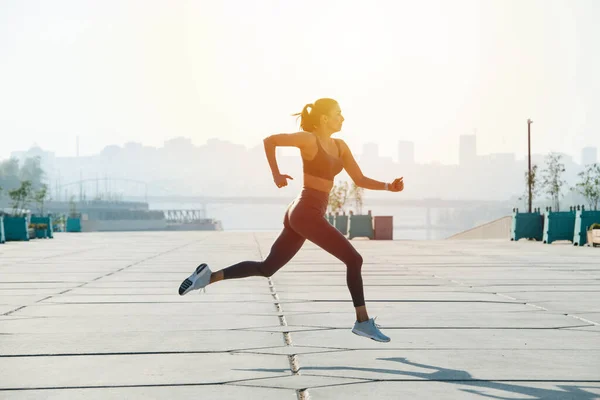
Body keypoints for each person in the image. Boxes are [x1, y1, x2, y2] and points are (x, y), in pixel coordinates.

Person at [178, 98, 404, 342]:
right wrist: (275, 173)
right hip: (305, 211)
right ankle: (362, 322)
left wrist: (388, 187)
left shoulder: (340, 146)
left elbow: (359, 179)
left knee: (267, 268)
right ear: (324, 118)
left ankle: (207, 277)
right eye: (338, 114)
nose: (343, 118)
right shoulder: (308, 139)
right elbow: (270, 141)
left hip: (303, 212)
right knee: (354, 259)